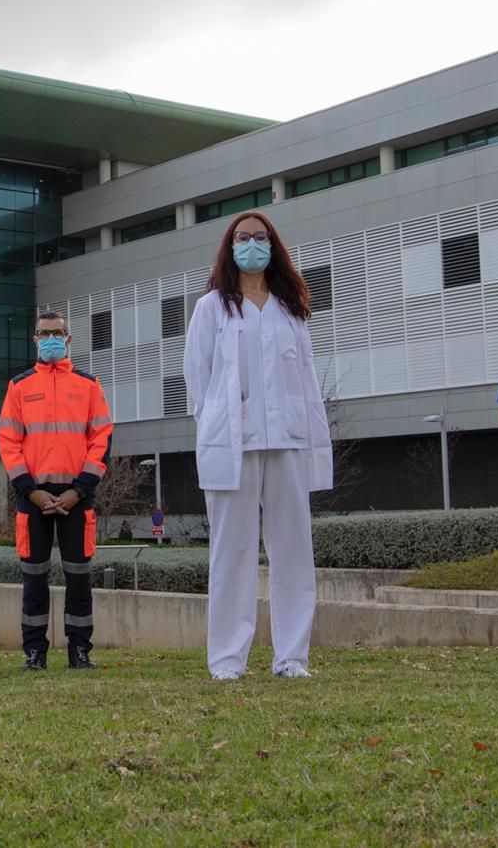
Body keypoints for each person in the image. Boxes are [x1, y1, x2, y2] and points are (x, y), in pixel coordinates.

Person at [183, 213, 332, 682]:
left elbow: (305, 379)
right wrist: (217, 423)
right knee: (232, 552)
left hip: (286, 439)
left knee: (293, 551)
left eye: (260, 237)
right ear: (230, 247)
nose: (252, 245)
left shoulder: (290, 308)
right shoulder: (212, 308)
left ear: (274, 245)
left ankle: (292, 657)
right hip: (233, 443)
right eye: (243, 238)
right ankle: (227, 659)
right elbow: (198, 380)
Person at [0, 310, 113, 671]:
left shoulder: (89, 385)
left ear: (69, 338)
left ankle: (80, 651)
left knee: (79, 577)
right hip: (33, 498)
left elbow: (102, 440)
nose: (51, 339)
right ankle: (35, 652)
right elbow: (8, 441)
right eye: (45, 333)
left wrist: (79, 490)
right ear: (35, 339)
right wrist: (30, 490)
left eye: (58, 333)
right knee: (33, 579)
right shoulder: (19, 386)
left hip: (76, 498)